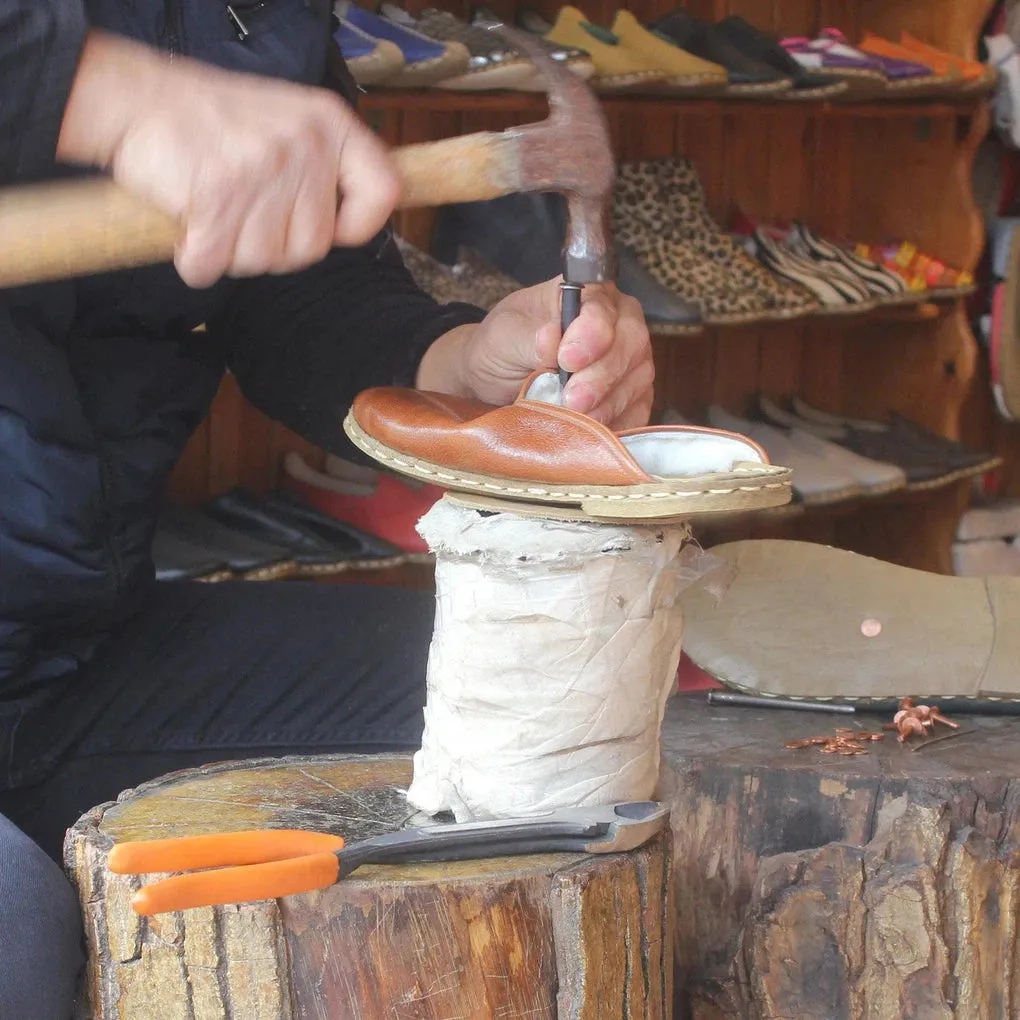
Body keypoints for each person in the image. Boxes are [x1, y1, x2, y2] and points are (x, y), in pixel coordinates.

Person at [0, 1, 653, 1016]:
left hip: (65, 657)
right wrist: (107, 93)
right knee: (10, 928)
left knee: (570, 713)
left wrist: (464, 364)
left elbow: (299, 298)